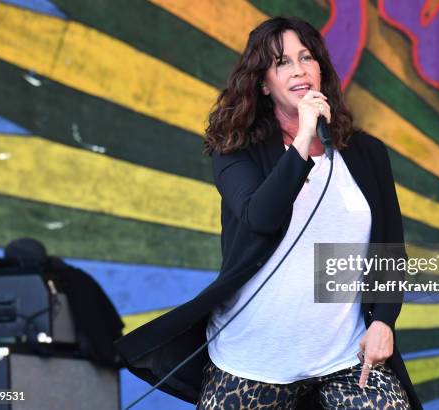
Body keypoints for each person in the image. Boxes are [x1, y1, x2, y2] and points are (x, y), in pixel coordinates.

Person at [114, 16, 422, 410]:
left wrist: (383, 320)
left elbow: (389, 251)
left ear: (321, 70)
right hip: (253, 360)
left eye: (306, 57)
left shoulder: (366, 154)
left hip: (344, 356)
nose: (298, 70)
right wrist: (304, 139)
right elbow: (261, 217)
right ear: (263, 83)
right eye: (281, 62)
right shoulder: (236, 151)